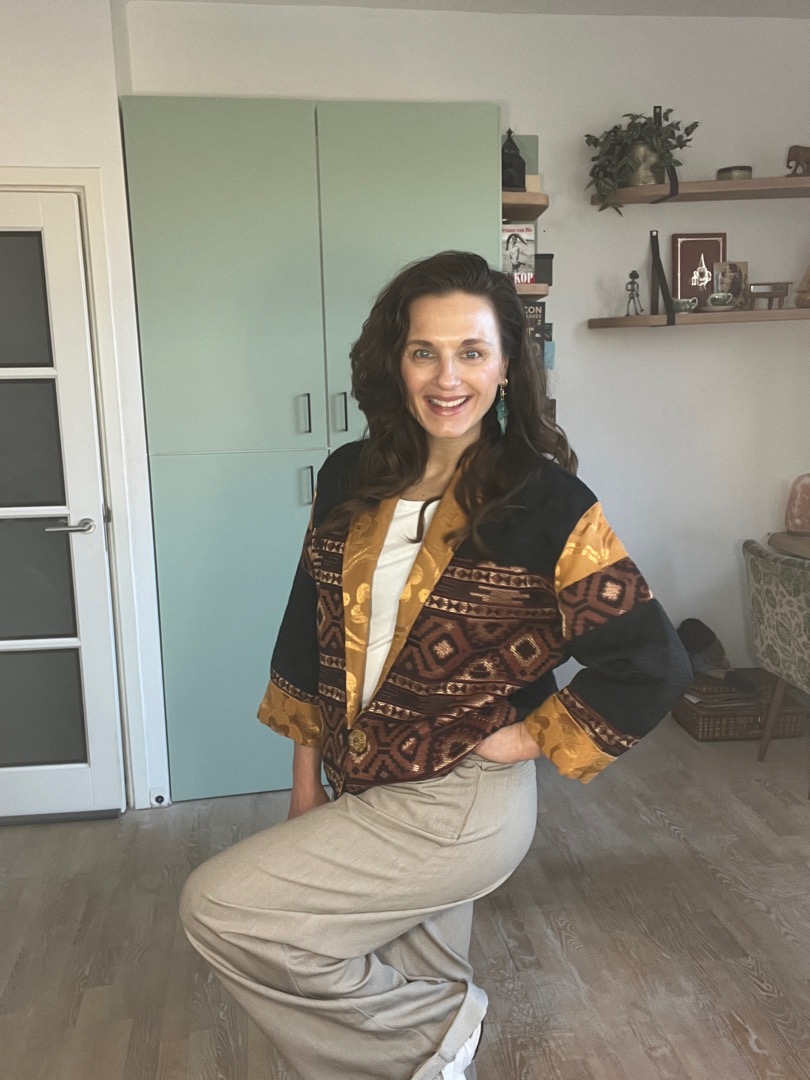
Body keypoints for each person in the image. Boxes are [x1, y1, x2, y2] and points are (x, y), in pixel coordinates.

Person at [179, 250, 691, 1080]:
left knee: (222, 908)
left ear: (506, 366)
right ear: (397, 361)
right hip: (357, 772)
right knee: (415, 968)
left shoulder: (548, 503)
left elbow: (652, 660)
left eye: (472, 352)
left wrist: (519, 741)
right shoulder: (349, 476)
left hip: (457, 801)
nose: (447, 378)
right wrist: (304, 783)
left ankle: (442, 1029)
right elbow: (308, 635)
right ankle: (436, 1045)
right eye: (425, 352)